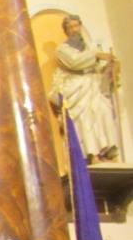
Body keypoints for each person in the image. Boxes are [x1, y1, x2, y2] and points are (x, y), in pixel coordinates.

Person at [51, 14, 119, 163]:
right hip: (78, 89)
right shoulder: (62, 49)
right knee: (85, 118)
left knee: (104, 111)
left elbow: (99, 68)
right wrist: (97, 56)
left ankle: (110, 151)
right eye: (71, 27)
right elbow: (75, 62)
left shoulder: (90, 47)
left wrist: (110, 67)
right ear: (66, 30)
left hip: (94, 87)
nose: (75, 30)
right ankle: (91, 154)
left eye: (77, 26)